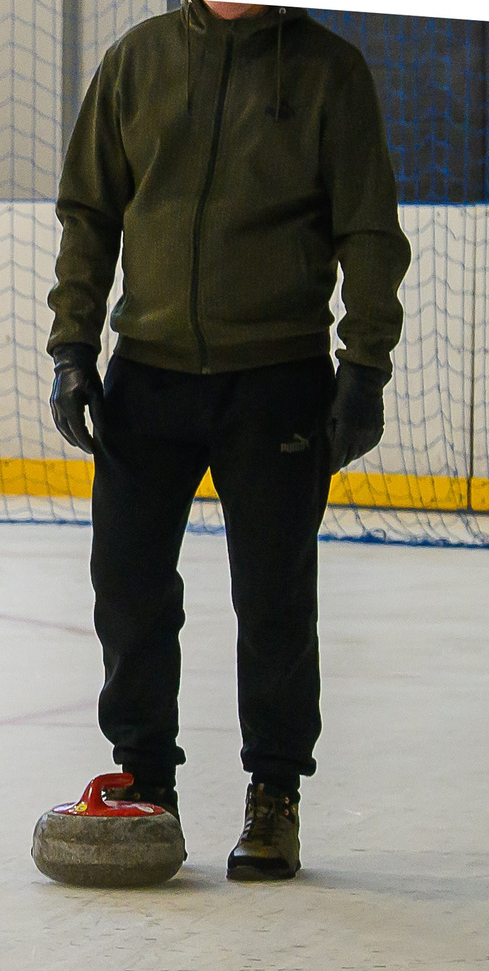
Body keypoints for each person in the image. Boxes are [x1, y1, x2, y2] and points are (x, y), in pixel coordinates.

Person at [47, 0, 408, 881]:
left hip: (277, 376)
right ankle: (145, 782)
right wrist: (72, 348)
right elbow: (89, 213)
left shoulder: (330, 70)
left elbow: (368, 227)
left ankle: (274, 795)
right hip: (150, 374)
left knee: (275, 596)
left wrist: (362, 368)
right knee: (128, 584)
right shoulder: (137, 61)